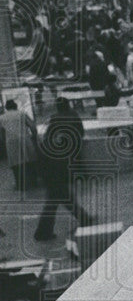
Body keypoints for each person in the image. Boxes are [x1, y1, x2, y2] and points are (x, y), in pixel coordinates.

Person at [34, 98, 94, 241]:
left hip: (51, 169)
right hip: (56, 170)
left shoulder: (53, 127)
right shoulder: (73, 119)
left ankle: (84, 219)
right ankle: (42, 232)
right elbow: (79, 136)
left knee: (59, 198)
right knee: (57, 199)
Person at [1, 99, 38, 192]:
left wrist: (3, 141)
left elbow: (1, 132)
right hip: (24, 139)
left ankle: (20, 184)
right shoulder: (22, 114)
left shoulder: (2, 117)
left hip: (10, 142)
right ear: (16, 106)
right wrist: (34, 136)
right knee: (29, 160)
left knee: (15, 163)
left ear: (6, 108)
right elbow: (32, 126)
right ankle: (33, 182)